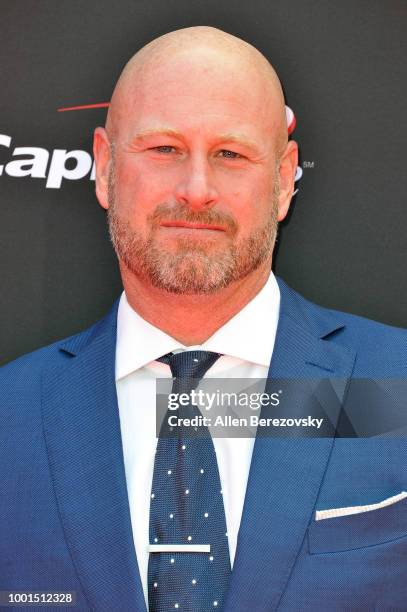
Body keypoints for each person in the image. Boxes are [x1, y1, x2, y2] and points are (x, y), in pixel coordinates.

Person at [1, 26, 406, 612]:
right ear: (106, 165)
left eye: (230, 154)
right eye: (164, 148)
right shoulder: (10, 413)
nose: (196, 190)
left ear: (285, 178)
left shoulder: (393, 388)